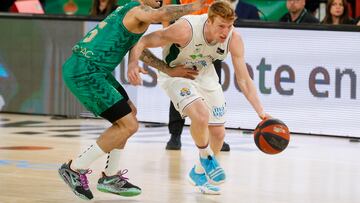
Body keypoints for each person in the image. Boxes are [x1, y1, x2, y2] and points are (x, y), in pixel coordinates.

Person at [58, 0, 206, 200]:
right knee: (129, 125)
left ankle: (110, 177)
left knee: (130, 114)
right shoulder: (138, 9)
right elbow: (160, 14)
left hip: (96, 71)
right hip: (85, 71)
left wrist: (168, 70)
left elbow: (139, 49)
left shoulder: (135, 16)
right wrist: (194, 6)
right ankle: (75, 168)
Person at [128, 0, 270, 194]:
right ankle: (206, 156)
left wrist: (261, 113)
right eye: (221, 26)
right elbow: (142, 41)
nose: (225, 32)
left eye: (229, 26)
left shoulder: (234, 38)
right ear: (209, 21)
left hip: (204, 74)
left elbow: (244, 80)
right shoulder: (185, 29)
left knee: (219, 133)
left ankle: (200, 173)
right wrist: (141, 65)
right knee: (201, 115)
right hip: (177, 75)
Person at [163, 0, 231, 152]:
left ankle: (215, 135)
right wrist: (167, 30)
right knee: (181, 85)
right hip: (189, 35)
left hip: (211, 37)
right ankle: (175, 135)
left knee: (212, 87)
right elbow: (167, 6)